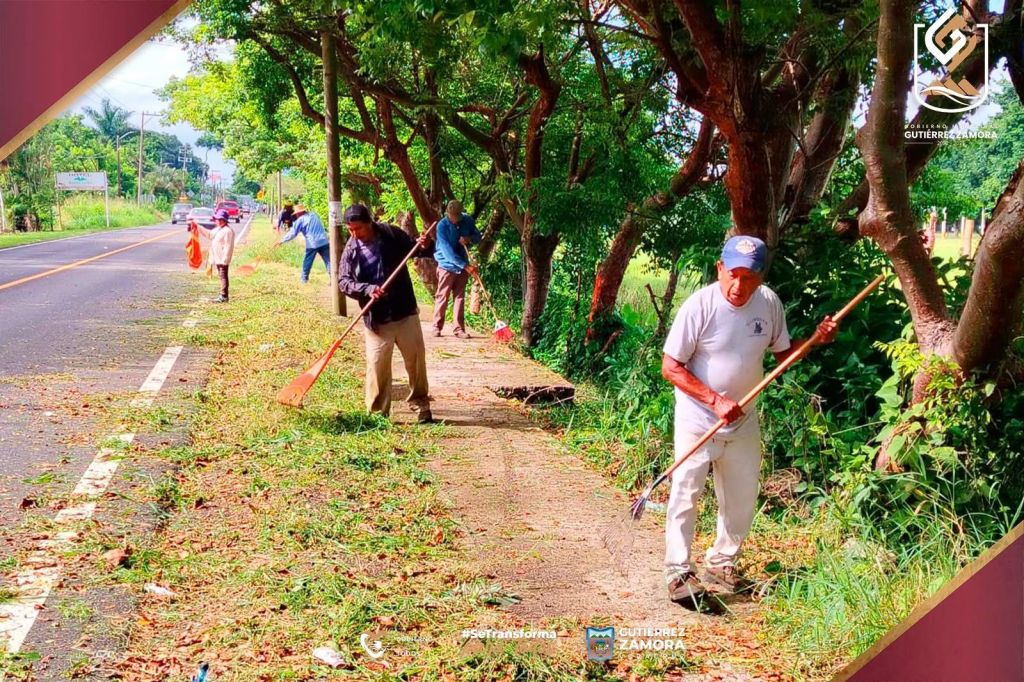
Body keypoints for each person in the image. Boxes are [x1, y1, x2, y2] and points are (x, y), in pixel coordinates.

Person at [660, 235, 838, 604]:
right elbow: (671, 367)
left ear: (761, 277)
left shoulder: (768, 303)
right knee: (686, 491)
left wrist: (816, 341)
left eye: (750, 278)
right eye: (733, 275)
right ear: (720, 268)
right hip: (698, 416)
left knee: (741, 495)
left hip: (744, 418)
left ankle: (722, 561)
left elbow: (783, 355)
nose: (739, 286)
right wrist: (714, 399)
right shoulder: (700, 306)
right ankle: (678, 572)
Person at [338, 204, 434, 423]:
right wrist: (367, 289)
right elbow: (344, 282)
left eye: (359, 229)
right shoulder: (351, 249)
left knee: (416, 361)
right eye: (351, 230)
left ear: (369, 223)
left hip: (404, 311)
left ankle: (421, 405)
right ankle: (378, 414)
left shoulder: (391, 234)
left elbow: (416, 250)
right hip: (377, 318)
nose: (355, 234)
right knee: (377, 364)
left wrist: (423, 244)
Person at [431, 199, 482, 338]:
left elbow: (478, 237)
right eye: (452, 216)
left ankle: (459, 329)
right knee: (443, 295)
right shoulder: (442, 226)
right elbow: (447, 252)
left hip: (463, 265)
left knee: (460, 297)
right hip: (447, 265)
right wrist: (466, 266)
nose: (455, 220)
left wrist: (468, 239)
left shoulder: (467, 220)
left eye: (457, 216)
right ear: (447, 213)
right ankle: (436, 327)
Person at [275, 204, 330, 283]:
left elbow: (293, 233)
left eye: (296, 214)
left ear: (298, 213)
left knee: (307, 261)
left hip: (312, 243)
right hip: (324, 240)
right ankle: (334, 279)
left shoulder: (300, 220)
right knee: (329, 261)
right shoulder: (314, 214)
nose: (296, 215)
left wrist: (281, 241)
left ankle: (304, 280)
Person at [209, 209, 235, 303]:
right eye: (218, 219)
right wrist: (197, 227)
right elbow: (209, 235)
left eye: (221, 219)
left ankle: (224, 296)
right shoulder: (219, 229)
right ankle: (223, 295)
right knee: (221, 276)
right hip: (218, 258)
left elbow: (229, 246)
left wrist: (225, 259)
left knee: (223, 276)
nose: (219, 221)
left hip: (223, 259)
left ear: (225, 220)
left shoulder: (228, 231)